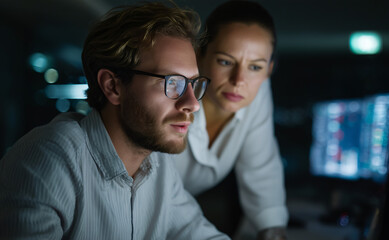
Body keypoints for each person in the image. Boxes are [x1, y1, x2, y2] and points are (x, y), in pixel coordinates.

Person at [0, 2, 230, 239]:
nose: (192, 103)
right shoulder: (49, 160)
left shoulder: (158, 166)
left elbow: (198, 233)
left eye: (193, 84)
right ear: (113, 86)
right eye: (172, 82)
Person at [174, 1, 288, 239]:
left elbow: (262, 168)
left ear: (269, 70)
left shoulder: (254, 90)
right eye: (225, 61)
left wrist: (273, 229)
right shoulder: (172, 94)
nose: (239, 80)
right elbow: (160, 197)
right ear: (200, 54)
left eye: (255, 67)